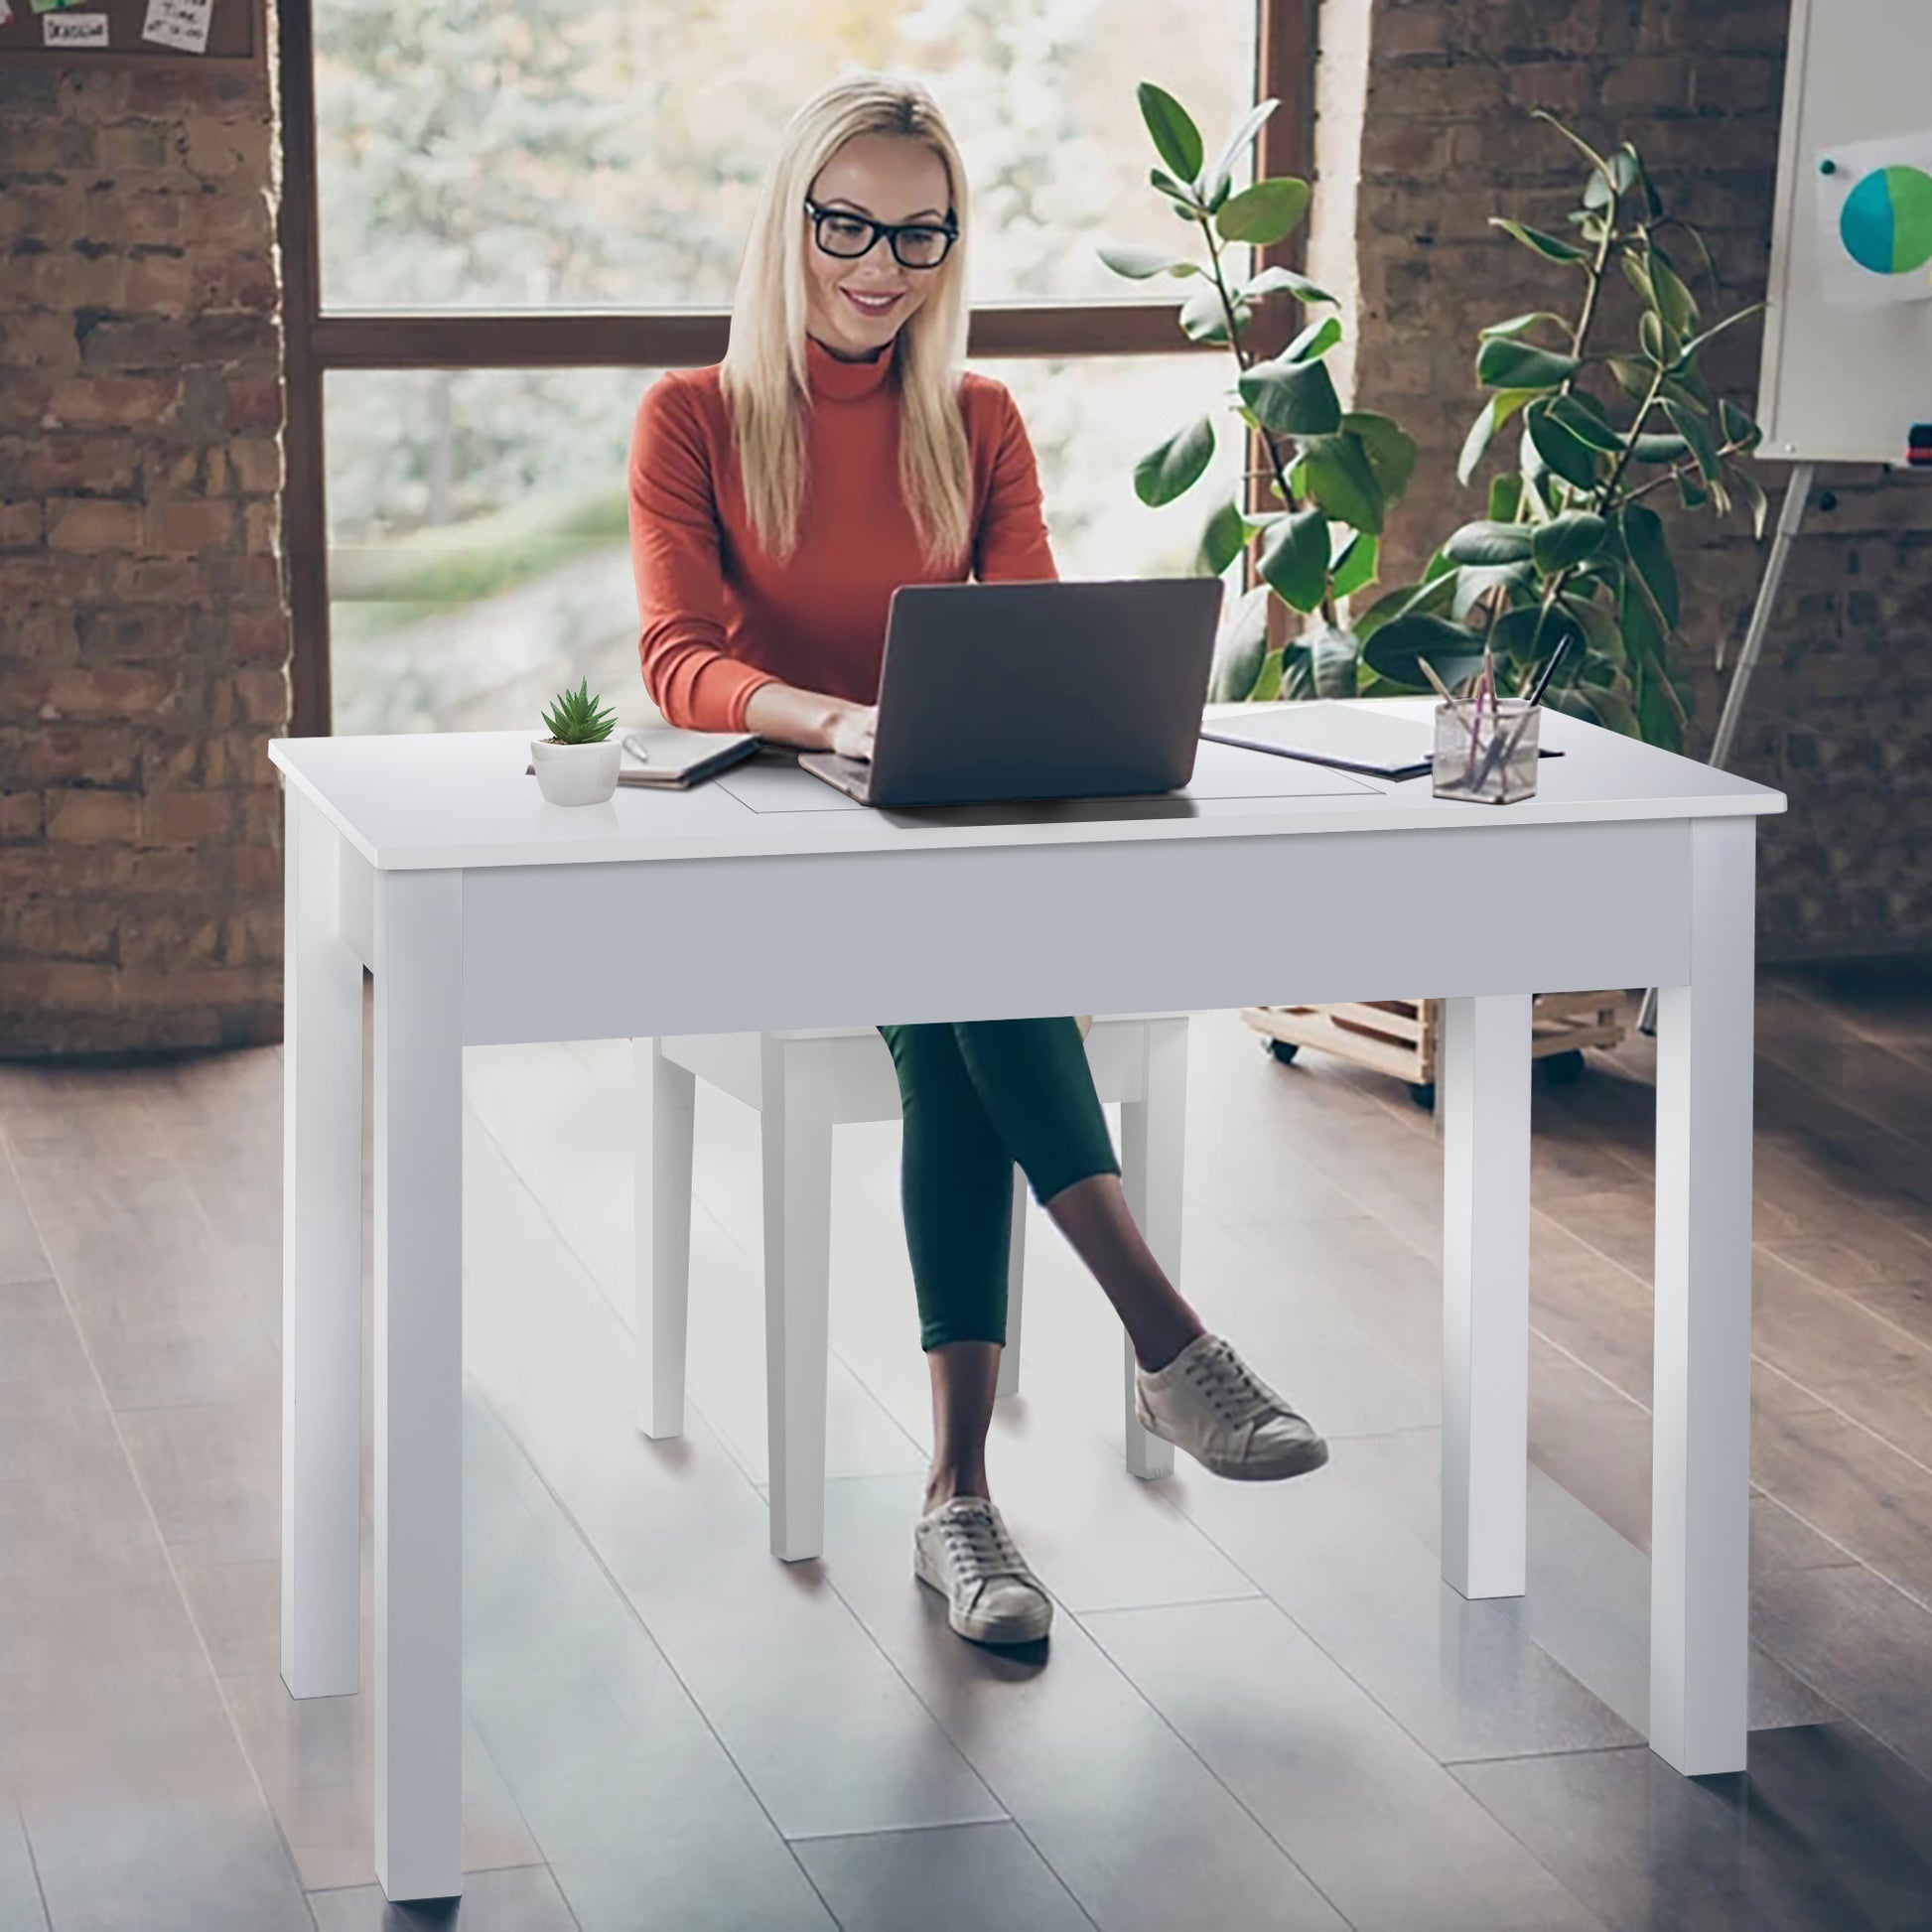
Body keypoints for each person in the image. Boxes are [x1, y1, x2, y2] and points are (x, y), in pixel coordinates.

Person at [627, 72, 1327, 1650]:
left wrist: (962, 736)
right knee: (977, 979)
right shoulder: (692, 417)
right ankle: (1159, 1335)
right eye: (849, 225)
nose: (882, 263)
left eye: (920, 233)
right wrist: (837, 721)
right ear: (791, 224)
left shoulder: (977, 420)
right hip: (779, 841)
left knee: (966, 993)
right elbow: (675, 659)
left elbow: (1027, 640)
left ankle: (960, 1503)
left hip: (946, 837)